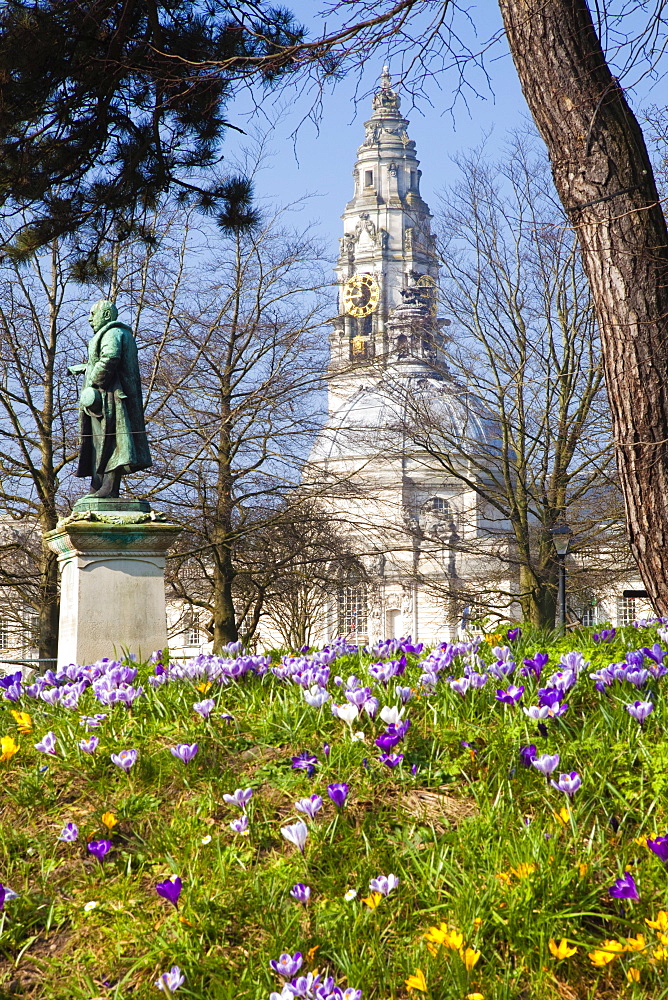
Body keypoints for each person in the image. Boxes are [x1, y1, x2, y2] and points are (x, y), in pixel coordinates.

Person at [68, 299, 152, 498]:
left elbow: (111, 358)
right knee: (100, 443)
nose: (89, 319)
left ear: (106, 315)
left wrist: (93, 382)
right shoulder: (115, 333)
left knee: (111, 443)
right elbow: (105, 360)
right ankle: (99, 485)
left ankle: (109, 487)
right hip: (106, 399)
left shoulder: (112, 332)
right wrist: (85, 369)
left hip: (111, 399)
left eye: (92, 314)